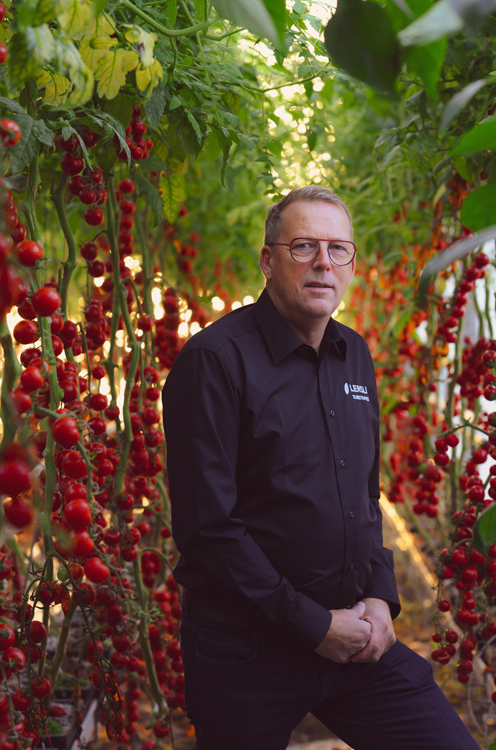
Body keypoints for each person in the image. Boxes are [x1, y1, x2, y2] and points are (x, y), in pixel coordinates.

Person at [162, 186, 481, 750]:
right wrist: (314, 627)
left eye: (338, 249)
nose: (322, 263)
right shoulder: (214, 360)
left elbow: (362, 494)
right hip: (246, 651)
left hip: (353, 640)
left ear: (352, 264)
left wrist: (381, 598)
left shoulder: (353, 354)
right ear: (267, 260)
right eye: (303, 245)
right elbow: (209, 529)